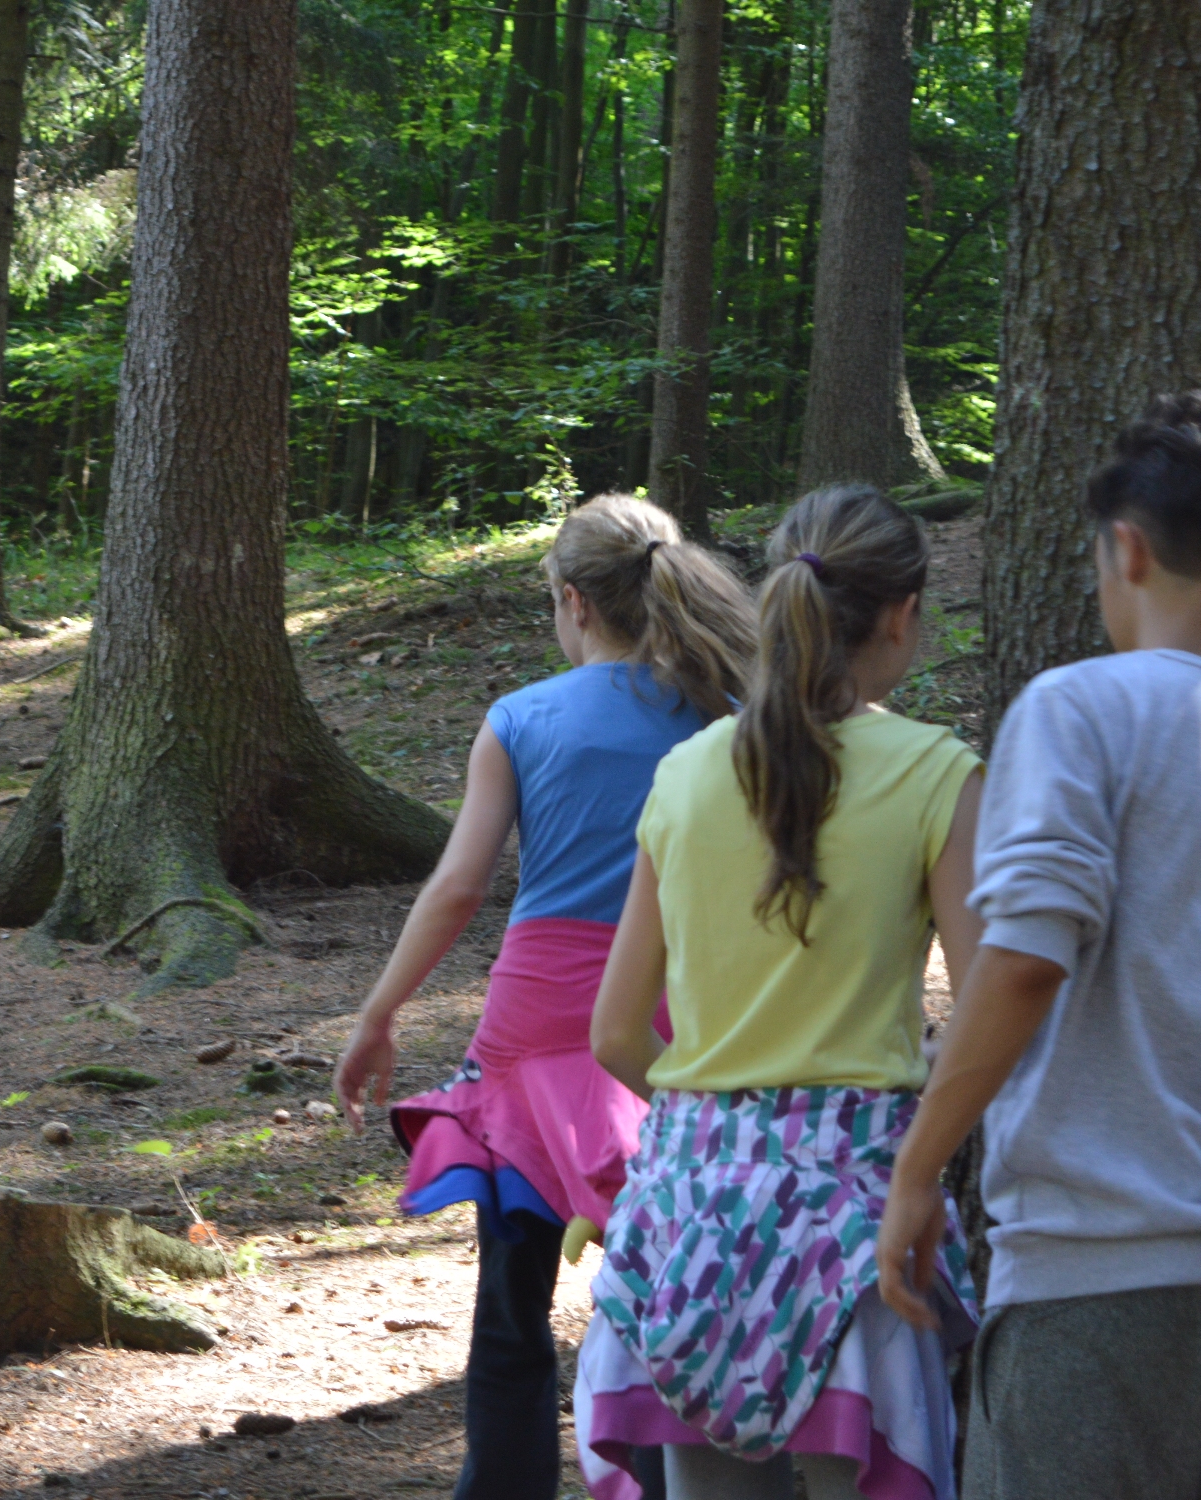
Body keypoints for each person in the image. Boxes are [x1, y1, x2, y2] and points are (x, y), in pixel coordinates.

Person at [333, 493, 755, 1500]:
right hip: (674, 1004)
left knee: (512, 1294)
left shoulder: (521, 719)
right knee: (672, 1258)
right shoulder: (728, 714)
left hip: (534, 1020)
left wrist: (379, 1013)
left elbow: (458, 888)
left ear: (573, 601)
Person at [575, 484, 984, 1500]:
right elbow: (990, 1006)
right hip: (860, 1210)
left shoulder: (685, 776)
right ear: (901, 616)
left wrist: (726, 1112)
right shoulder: (936, 774)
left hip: (692, 1207)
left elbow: (616, 1032)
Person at [874, 396, 1201, 1500]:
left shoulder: (1083, 708)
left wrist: (919, 1170)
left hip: (1104, 1278)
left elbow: (1023, 959)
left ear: (1127, 550)